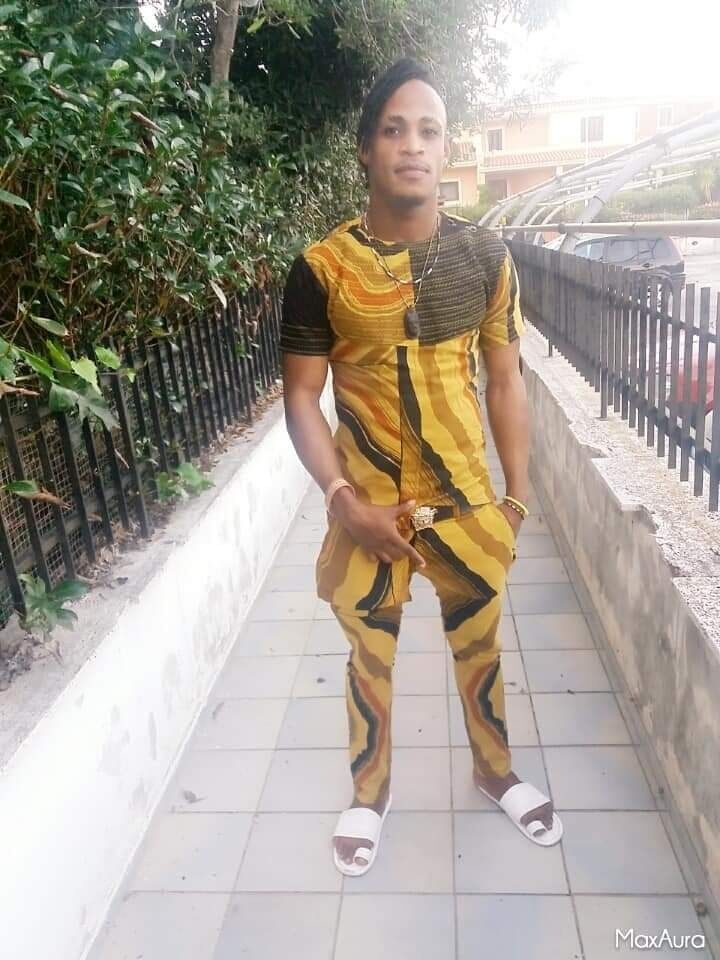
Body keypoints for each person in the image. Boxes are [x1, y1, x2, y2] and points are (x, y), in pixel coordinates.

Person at [280, 57, 563, 878]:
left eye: (428, 131)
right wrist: (343, 500)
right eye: (394, 129)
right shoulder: (322, 269)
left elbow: (505, 380)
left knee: (482, 645)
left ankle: (495, 772)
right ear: (366, 148)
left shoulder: (486, 258)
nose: (412, 145)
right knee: (368, 656)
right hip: (366, 506)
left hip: (467, 502)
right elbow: (301, 397)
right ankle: (369, 794)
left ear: (446, 150)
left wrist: (516, 500)